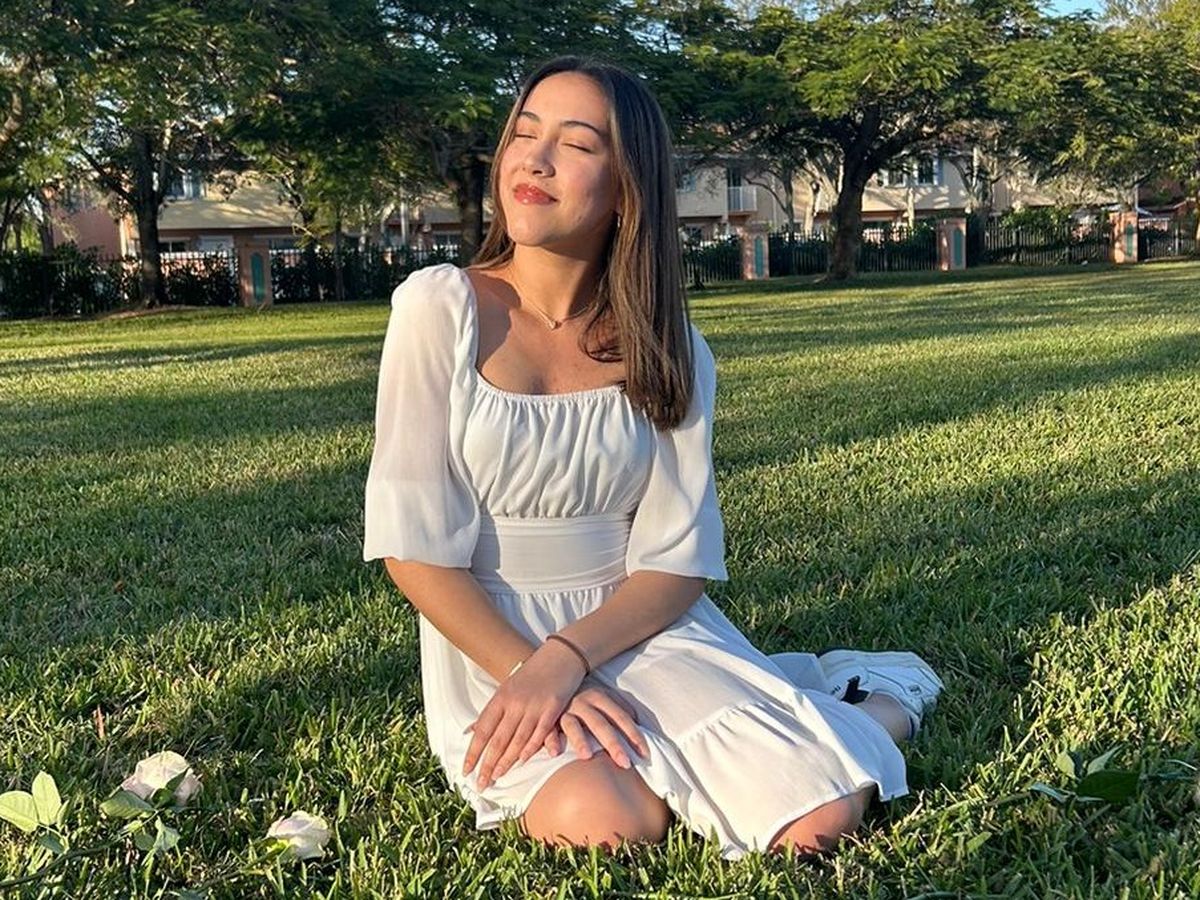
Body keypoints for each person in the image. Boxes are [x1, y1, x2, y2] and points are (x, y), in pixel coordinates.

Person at [363, 55, 943, 859]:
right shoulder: (439, 308)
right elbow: (413, 547)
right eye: (524, 134)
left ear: (627, 187)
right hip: (494, 644)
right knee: (608, 822)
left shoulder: (671, 349)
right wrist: (535, 672)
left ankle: (880, 703)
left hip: (638, 629)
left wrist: (572, 656)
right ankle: (767, 705)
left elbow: (676, 562)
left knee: (817, 820)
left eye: (576, 144)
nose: (535, 160)